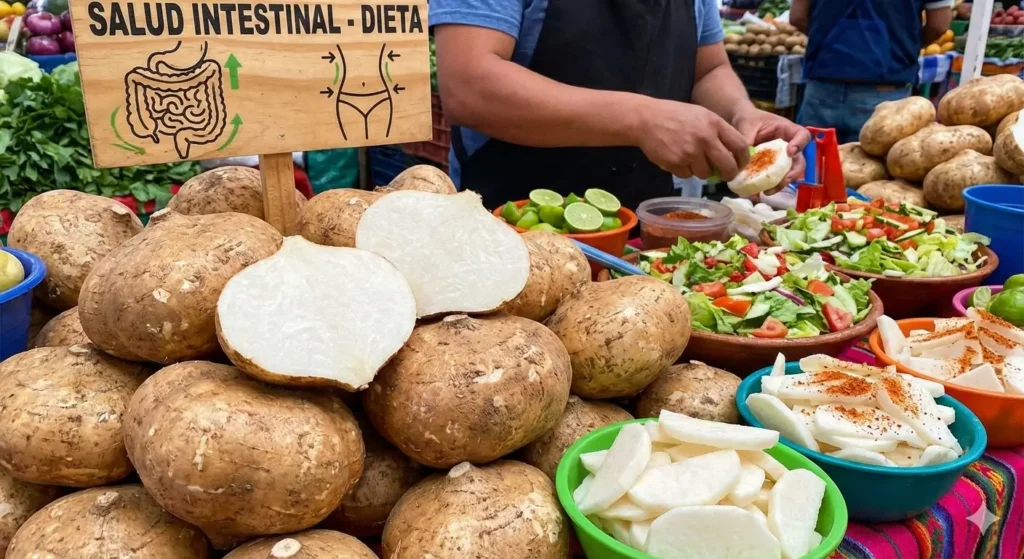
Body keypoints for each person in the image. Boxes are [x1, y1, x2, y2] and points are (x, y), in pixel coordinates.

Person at [430, 0, 811, 211]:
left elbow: (707, 69)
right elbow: (469, 85)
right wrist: (640, 119)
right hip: (513, 223)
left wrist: (741, 114)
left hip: (638, 230)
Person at [791, 0, 953, 144]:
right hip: (885, 89)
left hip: (822, 86)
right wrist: (903, 46)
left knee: (810, 170)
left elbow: (797, 17)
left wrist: (828, 40)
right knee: (871, 172)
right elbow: (938, 25)